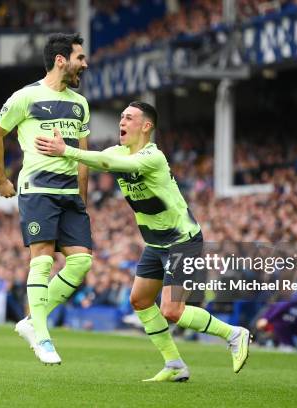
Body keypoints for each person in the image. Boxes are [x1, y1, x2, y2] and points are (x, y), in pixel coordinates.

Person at [35, 101, 251, 381]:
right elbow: (97, 159)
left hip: (182, 241)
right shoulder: (119, 151)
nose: (121, 122)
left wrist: (67, 150)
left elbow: (105, 162)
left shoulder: (153, 157)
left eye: (129, 118)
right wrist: (59, 156)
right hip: (156, 244)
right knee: (139, 300)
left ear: (146, 126)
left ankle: (234, 334)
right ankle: (174, 365)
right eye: (121, 117)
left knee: (172, 310)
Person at [0, 33, 92, 365]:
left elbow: (83, 156)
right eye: (80, 57)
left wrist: (82, 198)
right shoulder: (25, 97)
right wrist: (1, 178)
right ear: (61, 60)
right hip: (38, 189)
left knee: (82, 261)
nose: (84, 64)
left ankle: (33, 321)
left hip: (69, 194)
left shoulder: (80, 103)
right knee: (43, 259)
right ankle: (43, 338)